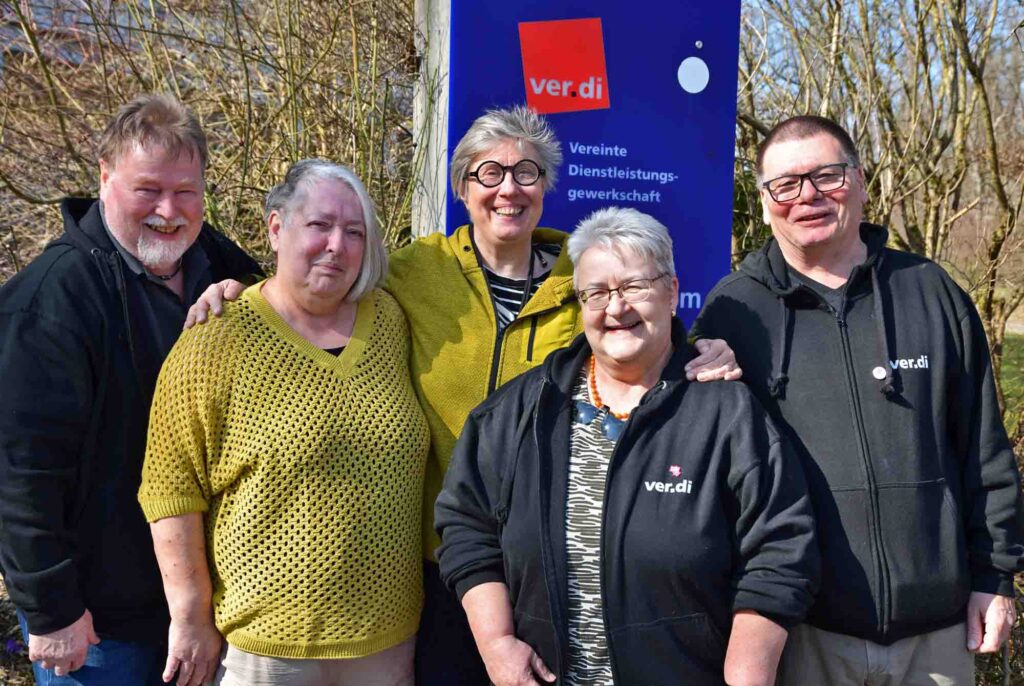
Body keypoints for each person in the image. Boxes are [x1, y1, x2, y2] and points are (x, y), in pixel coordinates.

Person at [184, 106, 740, 684]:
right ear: (462, 188)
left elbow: (643, 320)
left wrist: (701, 347)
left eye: (527, 172)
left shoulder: (586, 279)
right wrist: (239, 290)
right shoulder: (413, 271)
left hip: (553, 570)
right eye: (488, 174)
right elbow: (321, 280)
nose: (508, 190)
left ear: (546, 187)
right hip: (441, 569)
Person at [692, 115, 1024, 685]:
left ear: (861, 179)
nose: (809, 197)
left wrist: (994, 576)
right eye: (786, 184)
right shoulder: (734, 313)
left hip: (936, 634)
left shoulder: (930, 292)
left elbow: (982, 447)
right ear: (767, 200)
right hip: (803, 634)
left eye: (828, 175)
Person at [434, 206, 820, 686]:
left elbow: (780, 549)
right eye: (596, 292)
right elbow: (467, 527)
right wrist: (496, 645)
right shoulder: (520, 413)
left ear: (673, 291)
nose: (615, 308)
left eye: (634, 286)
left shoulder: (728, 414)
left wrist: (746, 675)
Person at [0, 94, 261, 685]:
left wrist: (250, 296)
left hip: (209, 609)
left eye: (186, 191)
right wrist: (51, 610)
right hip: (101, 628)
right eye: (148, 190)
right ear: (104, 178)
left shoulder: (216, 266)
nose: (168, 211)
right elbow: (21, 472)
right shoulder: (50, 302)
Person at [138, 160, 429, 686]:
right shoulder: (216, 337)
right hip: (267, 652)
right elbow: (170, 491)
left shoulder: (390, 320)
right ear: (276, 228)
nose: (336, 245)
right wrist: (190, 618)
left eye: (354, 232)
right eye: (319, 225)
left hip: (388, 642)